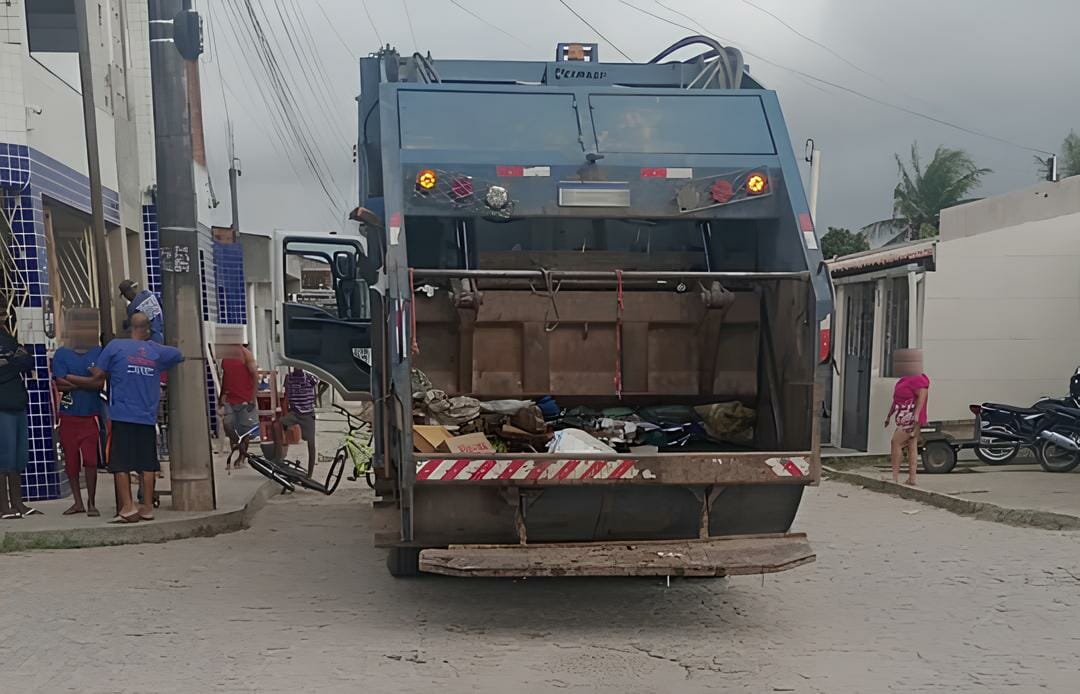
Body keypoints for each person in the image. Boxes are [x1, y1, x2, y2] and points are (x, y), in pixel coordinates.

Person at [65, 313, 182, 523]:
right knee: (147, 464)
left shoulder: (116, 346)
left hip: (122, 415)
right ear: (147, 329)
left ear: (129, 328)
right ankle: (147, 507)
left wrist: (80, 374)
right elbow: (178, 354)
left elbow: (98, 375)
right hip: (147, 416)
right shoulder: (155, 351)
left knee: (120, 464)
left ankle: (128, 508)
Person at [52, 309, 105, 516]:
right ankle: (78, 502)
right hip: (68, 416)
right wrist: (88, 381)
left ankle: (92, 502)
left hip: (90, 415)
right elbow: (60, 384)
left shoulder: (97, 352)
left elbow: (99, 384)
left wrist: (72, 378)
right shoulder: (62, 353)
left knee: (91, 460)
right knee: (71, 461)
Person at [0, 301, 38, 519]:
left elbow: (27, 361)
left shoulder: (8, 337)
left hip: (16, 403)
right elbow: (18, 361)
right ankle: (4, 506)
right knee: (3, 458)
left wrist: (8, 362)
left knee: (17, 457)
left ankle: (18, 503)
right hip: (3, 406)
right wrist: (12, 360)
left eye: (4, 312)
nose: (3, 317)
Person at [884, 348, 930, 486]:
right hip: (903, 415)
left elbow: (923, 395)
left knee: (896, 443)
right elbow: (896, 399)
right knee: (911, 446)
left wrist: (916, 415)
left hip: (909, 417)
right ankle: (912, 478)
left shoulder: (918, 378)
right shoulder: (904, 380)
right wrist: (889, 415)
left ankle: (894, 477)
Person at [219, 343, 259, 462]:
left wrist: (252, 398)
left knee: (244, 430)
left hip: (244, 398)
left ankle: (241, 457)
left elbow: (255, 376)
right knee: (228, 425)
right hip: (230, 398)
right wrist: (221, 396)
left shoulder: (246, 354)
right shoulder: (226, 357)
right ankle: (241, 449)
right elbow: (225, 377)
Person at [277, 367, 318, 476]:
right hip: (294, 413)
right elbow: (286, 397)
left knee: (311, 442)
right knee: (278, 424)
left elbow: (323, 383)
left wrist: (314, 400)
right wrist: (285, 413)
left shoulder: (310, 377)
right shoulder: (289, 378)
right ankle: (279, 457)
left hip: (308, 414)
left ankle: (310, 474)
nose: (297, 368)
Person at [119, 279, 164, 344]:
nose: (126, 297)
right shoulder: (148, 294)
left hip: (150, 338)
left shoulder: (132, 307)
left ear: (128, 292)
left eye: (125, 294)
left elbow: (130, 324)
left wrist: (125, 323)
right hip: (162, 330)